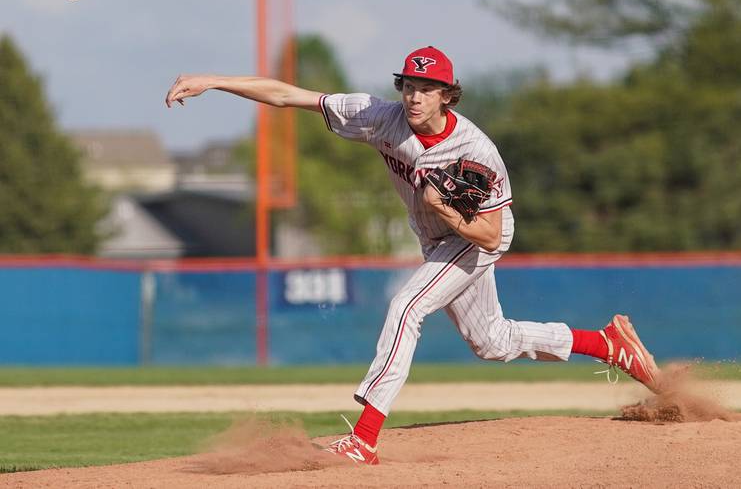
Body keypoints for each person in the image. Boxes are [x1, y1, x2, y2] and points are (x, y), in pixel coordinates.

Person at [165, 45, 661, 465]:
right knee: (492, 341)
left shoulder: (475, 151)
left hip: (474, 237)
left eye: (426, 88)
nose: (414, 95)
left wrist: (444, 207)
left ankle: (364, 438)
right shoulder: (381, 117)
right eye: (408, 85)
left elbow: (490, 236)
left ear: (448, 94)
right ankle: (606, 343)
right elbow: (289, 95)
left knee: (408, 305)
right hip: (438, 238)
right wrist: (213, 80)